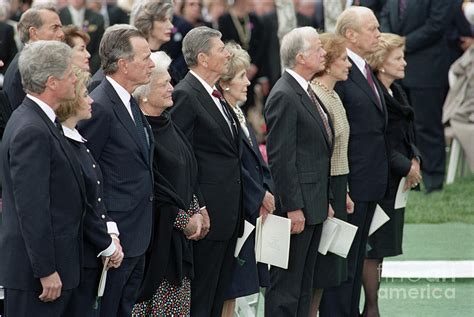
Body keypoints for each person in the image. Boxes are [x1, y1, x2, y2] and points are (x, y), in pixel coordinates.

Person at [0, 40, 84, 316]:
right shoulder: (31, 129)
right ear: (52, 82)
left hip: (55, 268)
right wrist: (46, 270)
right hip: (38, 278)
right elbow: (32, 208)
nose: (76, 79)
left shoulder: (42, 120)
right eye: (70, 73)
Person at [77, 27, 155, 316]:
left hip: (138, 231)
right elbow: (86, 171)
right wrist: (106, 229)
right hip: (116, 238)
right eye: (145, 58)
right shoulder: (100, 105)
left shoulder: (129, 100)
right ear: (124, 64)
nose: (152, 63)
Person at [319, 7, 389, 317]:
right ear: (350, 35)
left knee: (357, 257)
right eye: (372, 29)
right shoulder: (341, 73)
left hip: (370, 181)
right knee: (342, 265)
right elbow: (336, 134)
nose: (378, 34)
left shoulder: (364, 68)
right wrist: (341, 186)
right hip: (350, 183)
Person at [170, 26, 243, 317]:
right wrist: (197, 205)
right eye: (221, 49)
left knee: (216, 296)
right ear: (202, 57)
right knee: (201, 301)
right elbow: (180, 158)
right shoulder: (186, 95)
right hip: (208, 217)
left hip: (229, 215)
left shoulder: (216, 94)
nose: (227, 53)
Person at [264, 26, 333, 317]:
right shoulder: (284, 94)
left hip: (313, 202)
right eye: (318, 48)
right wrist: (293, 207)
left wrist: (323, 200)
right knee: (286, 288)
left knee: (303, 284)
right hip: (297, 208)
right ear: (301, 56)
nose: (324, 53)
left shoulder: (303, 89)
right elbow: (281, 158)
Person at [130, 51, 204, 316]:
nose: (172, 87)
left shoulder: (168, 123)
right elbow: (156, 188)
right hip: (156, 245)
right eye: (164, 84)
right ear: (145, 94)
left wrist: (197, 210)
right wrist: (185, 221)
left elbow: (188, 173)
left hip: (179, 242)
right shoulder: (141, 132)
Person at [55, 67, 125, 316]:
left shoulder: (77, 141)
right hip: (79, 256)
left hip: (91, 252)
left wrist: (112, 232)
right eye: (85, 94)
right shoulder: (64, 144)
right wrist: (107, 245)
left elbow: (96, 194)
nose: (92, 100)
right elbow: (79, 204)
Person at [363, 32, 422, 317]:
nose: (405, 63)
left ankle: (373, 306)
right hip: (380, 180)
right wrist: (406, 166)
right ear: (381, 62)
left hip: (396, 183)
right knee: (372, 248)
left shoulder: (396, 91)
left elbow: (407, 133)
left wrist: (415, 160)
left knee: (383, 246)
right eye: (398, 58)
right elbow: (381, 142)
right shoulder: (375, 94)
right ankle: (371, 308)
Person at [218, 42, 274, 317]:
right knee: (230, 289)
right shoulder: (224, 114)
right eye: (240, 76)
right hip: (236, 210)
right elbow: (235, 164)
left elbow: (256, 161)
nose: (247, 81)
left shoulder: (238, 113)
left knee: (239, 289)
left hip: (250, 211)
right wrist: (259, 194)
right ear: (225, 83)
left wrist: (266, 188)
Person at [380, 0, 453, 193]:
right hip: (397, 72)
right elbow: (386, 15)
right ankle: (410, 176)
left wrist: (401, 44)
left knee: (427, 126)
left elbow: (436, 24)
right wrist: (390, 44)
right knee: (403, 128)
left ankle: (433, 179)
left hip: (427, 70)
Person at [308, 33, 354, 315]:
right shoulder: (317, 95)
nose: (348, 64)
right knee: (320, 266)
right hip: (324, 187)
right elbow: (319, 153)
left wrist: (344, 190)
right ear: (328, 62)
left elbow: (339, 150)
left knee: (330, 268)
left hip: (338, 185)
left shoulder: (334, 95)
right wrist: (327, 194)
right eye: (344, 58)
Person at [3, 5, 64, 113]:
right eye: (54, 28)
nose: (61, 34)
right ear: (34, 33)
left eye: (60, 27)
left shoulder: (34, 63)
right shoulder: (22, 68)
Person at [219, 0, 264, 113]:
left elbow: (261, 44)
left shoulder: (254, 19)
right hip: (233, 69)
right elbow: (224, 44)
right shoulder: (225, 19)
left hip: (253, 71)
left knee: (251, 104)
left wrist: (253, 66)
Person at [59, 0, 105, 73]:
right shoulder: (59, 16)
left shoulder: (97, 17)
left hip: (91, 67)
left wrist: (89, 68)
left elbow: (100, 47)